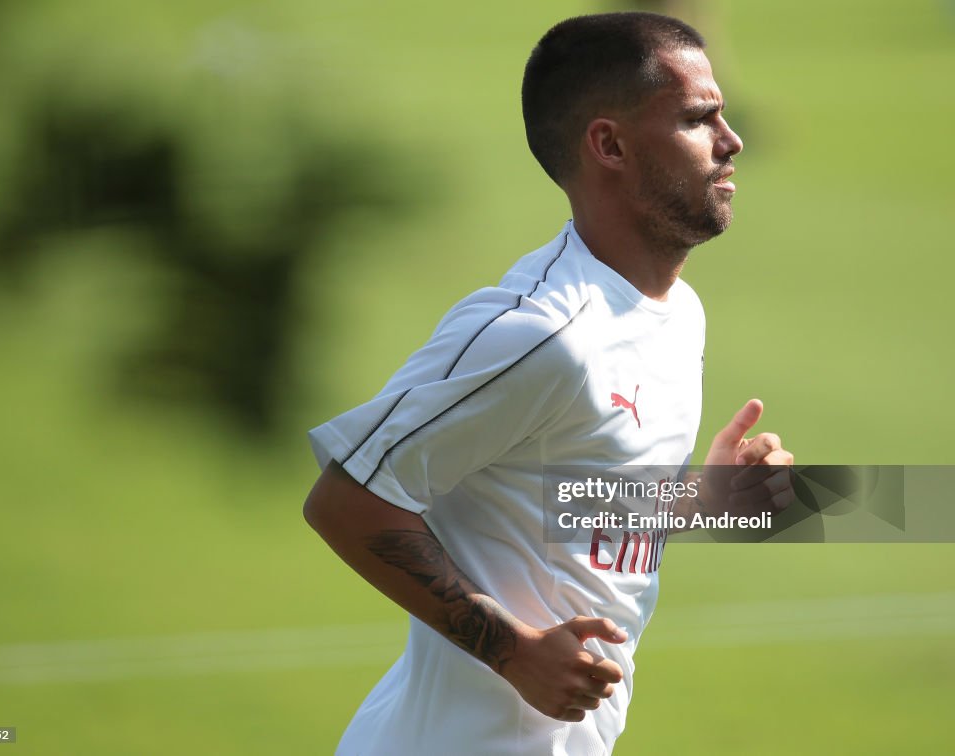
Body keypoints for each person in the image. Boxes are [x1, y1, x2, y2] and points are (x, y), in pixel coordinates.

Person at [304, 12, 793, 755]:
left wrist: (699, 500)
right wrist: (510, 649)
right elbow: (346, 500)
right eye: (700, 119)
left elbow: (552, 495)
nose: (732, 142)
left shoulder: (676, 314)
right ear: (610, 145)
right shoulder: (543, 336)